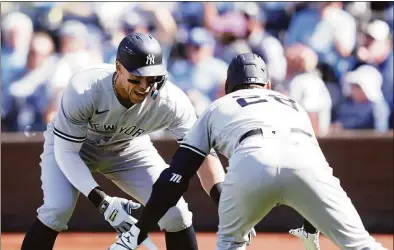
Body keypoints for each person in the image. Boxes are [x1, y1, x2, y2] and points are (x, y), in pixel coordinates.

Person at [109, 53, 387, 250]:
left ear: (227, 88)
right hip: (307, 165)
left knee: (231, 245)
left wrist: (139, 230)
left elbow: (176, 177)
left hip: (251, 162)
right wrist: (311, 227)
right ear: (267, 86)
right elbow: (308, 167)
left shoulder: (219, 106)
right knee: (362, 244)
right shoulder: (292, 104)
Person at [20, 33, 227, 250]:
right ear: (118, 68)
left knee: (176, 214)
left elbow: (201, 154)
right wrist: (102, 202)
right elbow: (67, 151)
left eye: (153, 78)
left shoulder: (172, 101)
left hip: (128, 146)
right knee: (57, 210)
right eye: (136, 78)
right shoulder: (85, 88)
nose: (144, 87)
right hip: (74, 147)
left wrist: (226, 204)